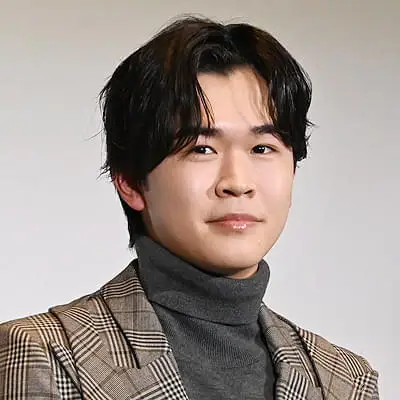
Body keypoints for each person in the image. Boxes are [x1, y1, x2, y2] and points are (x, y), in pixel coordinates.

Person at [0, 16, 379, 400]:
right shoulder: (47, 355)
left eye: (262, 148)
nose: (237, 182)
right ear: (131, 181)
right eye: (202, 149)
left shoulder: (345, 382)